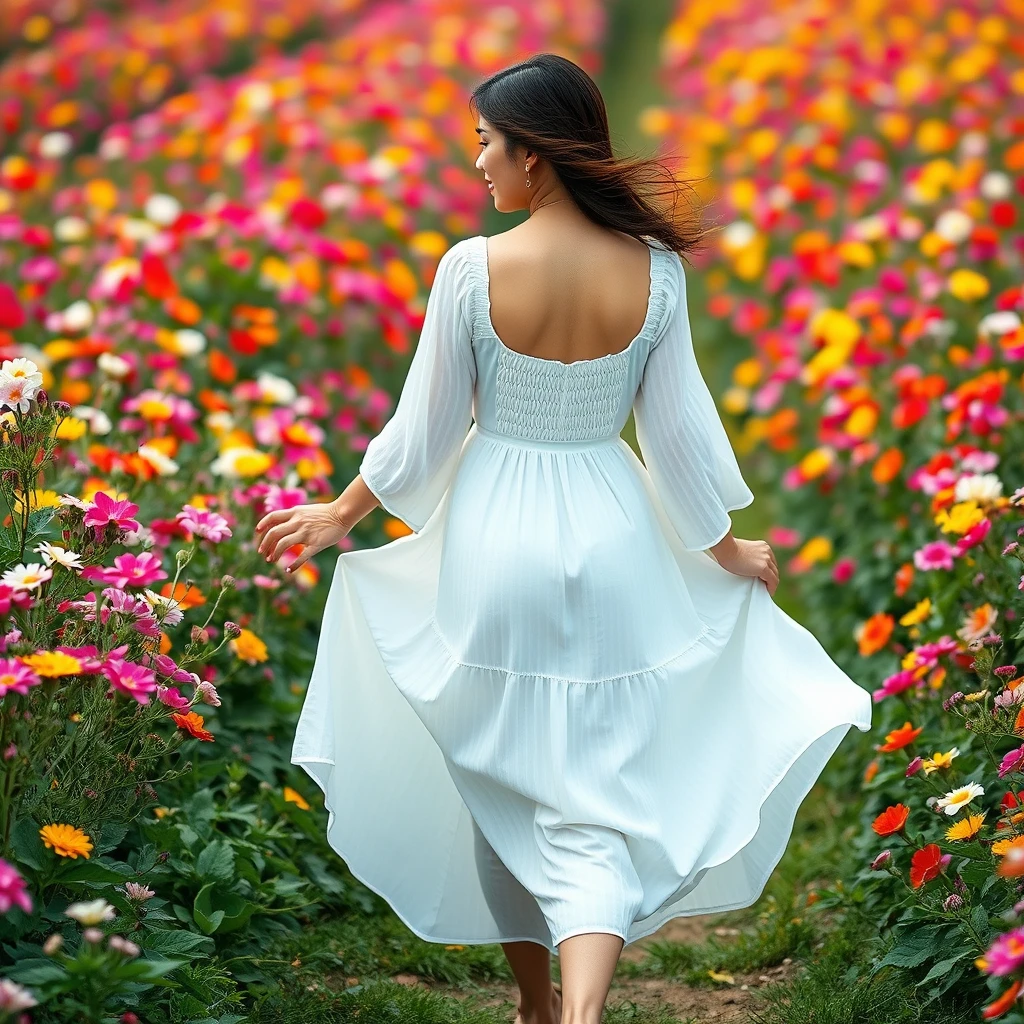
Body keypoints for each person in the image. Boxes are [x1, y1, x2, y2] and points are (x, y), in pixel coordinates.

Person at [255, 53, 873, 1024]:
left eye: (486, 145)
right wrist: (726, 550)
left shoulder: (471, 268)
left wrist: (339, 514)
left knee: (500, 779)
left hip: (495, 541)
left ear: (533, 156)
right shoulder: (656, 272)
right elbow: (676, 443)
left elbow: (422, 433)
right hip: (613, 537)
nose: (478, 166)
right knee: (590, 807)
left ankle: (536, 1009)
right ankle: (581, 1016)